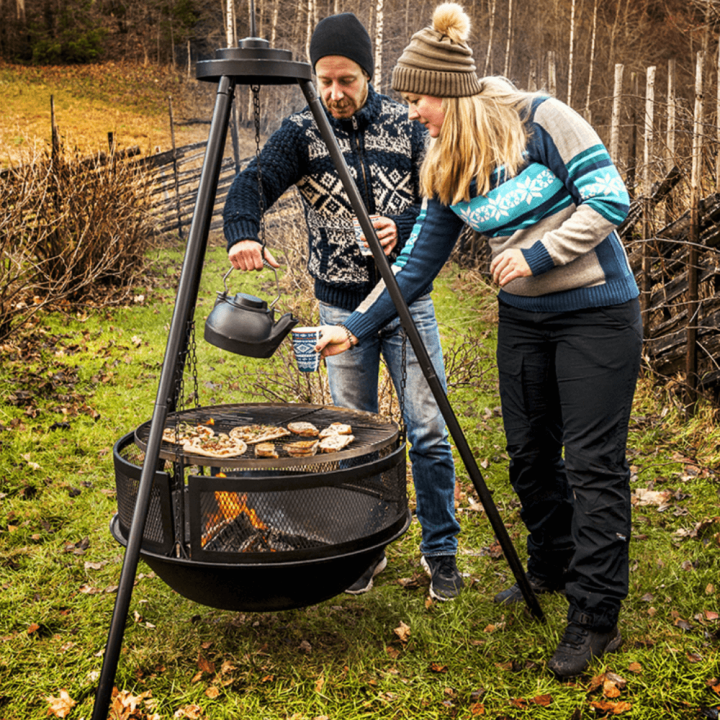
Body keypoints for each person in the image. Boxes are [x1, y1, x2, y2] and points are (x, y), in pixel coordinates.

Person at [317, 2, 642, 679]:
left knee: (591, 463)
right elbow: (412, 269)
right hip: (525, 320)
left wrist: (540, 254)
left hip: (597, 313)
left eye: (418, 98)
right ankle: (552, 567)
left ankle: (595, 615)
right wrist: (352, 327)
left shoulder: (541, 120)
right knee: (529, 457)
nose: (411, 112)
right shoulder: (447, 164)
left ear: (452, 93)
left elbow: (611, 198)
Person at [223, 12, 464, 601]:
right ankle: (364, 549)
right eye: (324, 79)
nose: (335, 92)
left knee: (428, 431)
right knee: (351, 438)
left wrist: (401, 226)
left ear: (367, 75)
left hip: (407, 304)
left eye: (347, 80)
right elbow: (252, 181)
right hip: (337, 312)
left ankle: (442, 553)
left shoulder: (409, 126)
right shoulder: (302, 131)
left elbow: (440, 207)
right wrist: (243, 233)